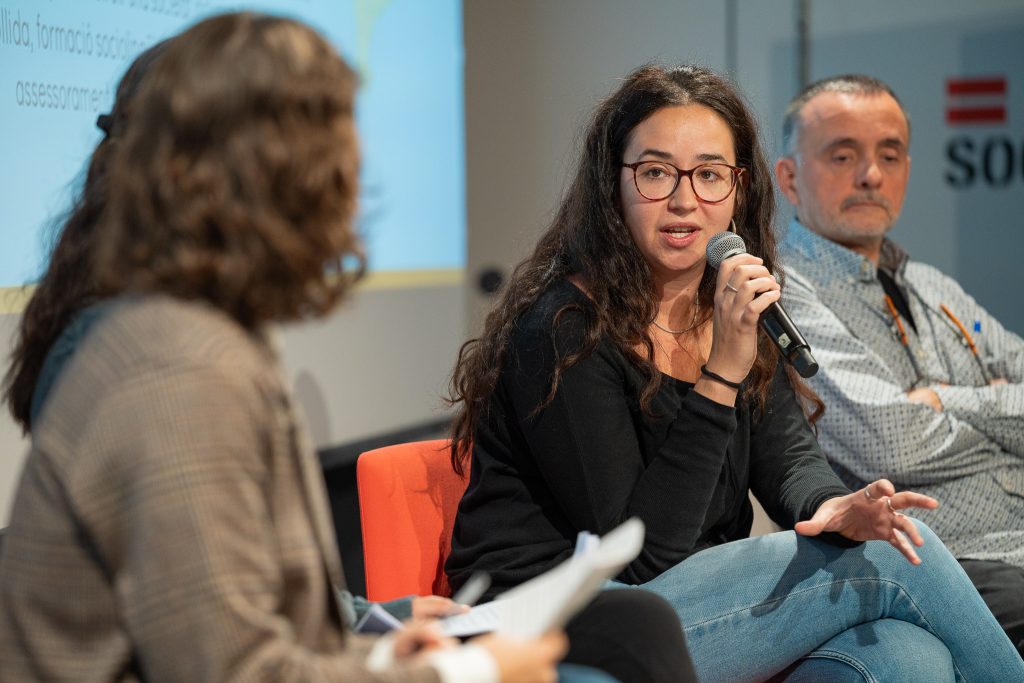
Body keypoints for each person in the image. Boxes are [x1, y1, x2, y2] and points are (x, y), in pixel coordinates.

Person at [0, 13, 621, 683]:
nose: (356, 175)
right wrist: (470, 672)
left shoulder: (193, 337)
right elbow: (231, 671)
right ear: (275, 171)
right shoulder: (176, 367)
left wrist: (379, 646)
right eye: (335, 141)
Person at [445, 63, 1024, 682]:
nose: (685, 199)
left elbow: (787, 458)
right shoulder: (563, 330)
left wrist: (836, 506)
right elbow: (641, 556)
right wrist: (720, 374)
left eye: (710, 174)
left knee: (905, 655)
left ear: (739, 189)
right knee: (896, 561)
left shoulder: (729, 305)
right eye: (655, 172)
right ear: (612, 184)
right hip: (561, 620)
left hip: (692, 605)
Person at [774, 73, 1024, 656]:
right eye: (843, 155)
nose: (871, 175)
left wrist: (943, 400)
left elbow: (914, 422)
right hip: (940, 561)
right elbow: (891, 440)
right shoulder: (785, 291)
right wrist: (1000, 411)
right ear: (789, 178)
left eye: (889, 155)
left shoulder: (932, 284)